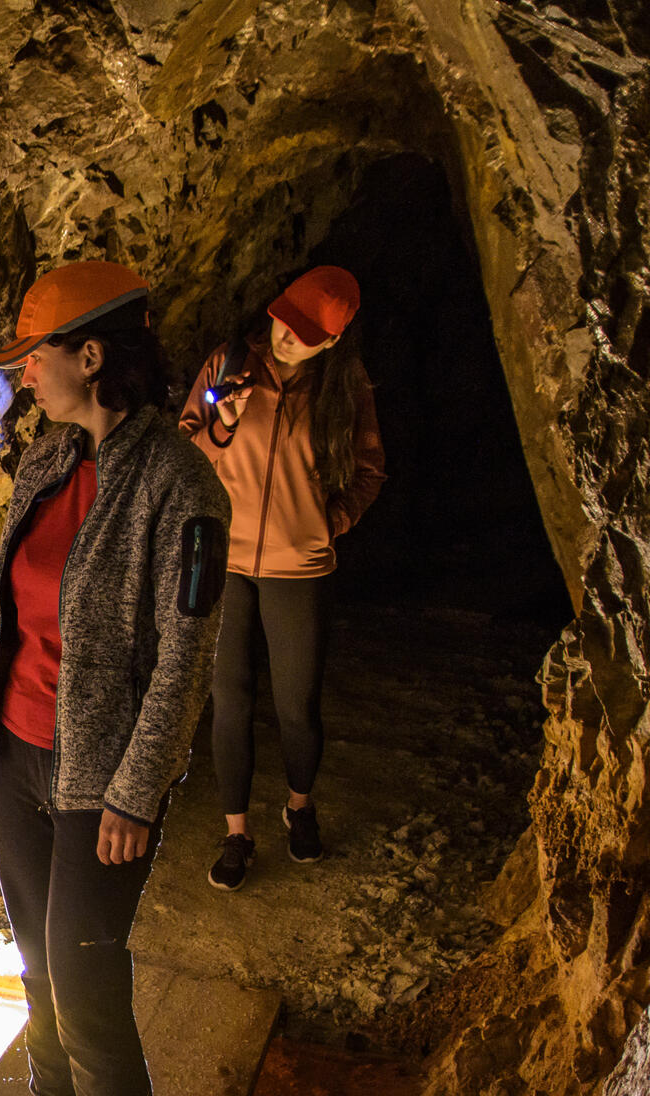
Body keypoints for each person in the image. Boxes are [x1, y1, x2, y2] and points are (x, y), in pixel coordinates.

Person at [0, 260, 230, 1096]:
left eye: (37, 355)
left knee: (84, 978)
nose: (25, 377)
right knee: (31, 958)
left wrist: (137, 793)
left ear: (89, 355)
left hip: (99, 781)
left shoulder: (179, 485)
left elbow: (183, 660)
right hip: (15, 755)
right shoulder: (49, 464)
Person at [178, 265, 386, 890]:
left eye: (303, 335)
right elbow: (187, 451)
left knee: (297, 707)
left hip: (300, 566)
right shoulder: (229, 364)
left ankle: (299, 807)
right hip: (225, 559)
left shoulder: (343, 389)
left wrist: (331, 522)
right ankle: (237, 832)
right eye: (282, 322)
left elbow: (371, 468)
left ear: (331, 342)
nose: (285, 338)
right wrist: (225, 422)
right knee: (230, 701)